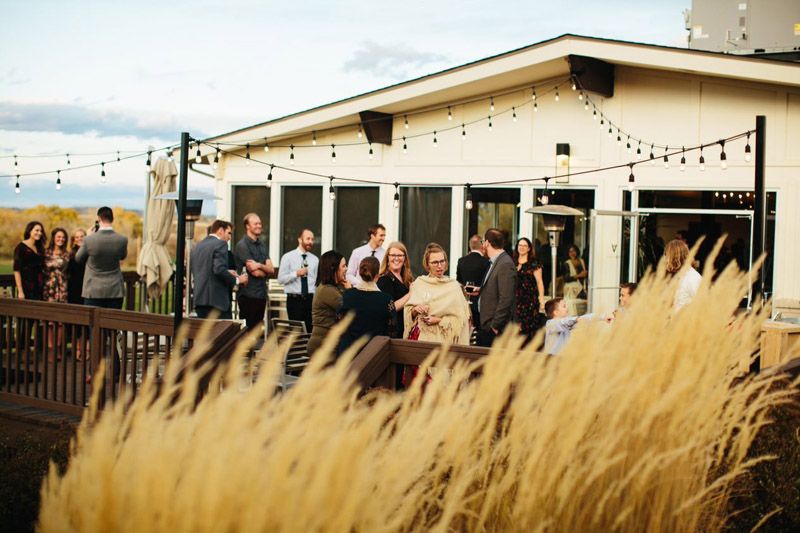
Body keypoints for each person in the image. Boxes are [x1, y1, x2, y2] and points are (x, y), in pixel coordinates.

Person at [404, 243, 470, 344]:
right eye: (435, 262)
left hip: (445, 342)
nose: (439, 266)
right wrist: (415, 310)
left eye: (442, 261)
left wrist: (439, 320)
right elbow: (409, 314)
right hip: (421, 340)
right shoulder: (420, 283)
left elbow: (461, 320)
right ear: (427, 265)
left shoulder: (453, 286)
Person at [337, 256, 394, 357]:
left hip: (347, 355)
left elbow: (338, 323)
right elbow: (393, 329)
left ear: (359, 273)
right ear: (378, 275)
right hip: (373, 356)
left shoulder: (347, 295)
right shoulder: (386, 299)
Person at [191, 219, 247, 319]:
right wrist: (238, 280)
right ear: (220, 230)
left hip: (200, 301)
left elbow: (206, 269)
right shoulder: (221, 244)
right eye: (229, 233)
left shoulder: (198, 246)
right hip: (216, 303)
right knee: (225, 334)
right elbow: (219, 269)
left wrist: (227, 272)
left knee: (205, 335)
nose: (230, 237)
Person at [76, 207, 128, 309]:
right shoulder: (122, 240)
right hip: (115, 291)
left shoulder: (89, 240)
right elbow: (123, 256)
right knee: (111, 323)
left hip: (93, 290)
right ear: (112, 219)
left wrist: (88, 237)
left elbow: (78, 258)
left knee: (93, 324)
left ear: (99, 219)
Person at [475, 228, 516, 347]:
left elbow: (506, 298)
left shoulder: (505, 264)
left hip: (494, 329)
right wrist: (481, 291)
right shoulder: (495, 261)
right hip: (486, 325)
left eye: (483, 242)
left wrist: (495, 326)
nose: (482, 245)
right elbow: (497, 288)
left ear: (487, 243)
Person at [233, 213, 274, 332]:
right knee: (247, 333)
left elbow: (271, 269)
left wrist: (260, 265)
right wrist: (264, 270)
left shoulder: (262, 245)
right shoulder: (242, 245)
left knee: (256, 333)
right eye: (255, 223)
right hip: (248, 296)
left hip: (261, 295)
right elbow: (255, 272)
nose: (259, 226)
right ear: (247, 226)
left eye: (260, 223)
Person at [307, 250, 350, 357]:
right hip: (324, 347)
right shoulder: (327, 290)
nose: (346, 269)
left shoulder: (330, 288)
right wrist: (350, 290)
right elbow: (351, 310)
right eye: (343, 266)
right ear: (333, 268)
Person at [277, 228, 318, 332]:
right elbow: (281, 279)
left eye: (312, 239)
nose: (310, 242)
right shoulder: (288, 257)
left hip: (310, 300)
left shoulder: (315, 259)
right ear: (300, 239)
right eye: (308, 239)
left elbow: (316, 281)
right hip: (295, 300)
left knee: (310, 331)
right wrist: (296, 273)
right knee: (296, 332)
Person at [377, 241, 413, 340]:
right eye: (393, 255)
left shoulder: (406, 279)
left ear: (405, 259)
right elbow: (390, 307)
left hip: (405, 331)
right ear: (387, 258)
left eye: (400, 255)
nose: (396, 258)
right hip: (392, 334)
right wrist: (410, 294)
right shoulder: (384, 280)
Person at [513, 237, 546, 341]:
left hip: (529, 300)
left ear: (529, 248)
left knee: (528, 328)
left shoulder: (534, 263)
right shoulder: (512, 262)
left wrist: (541, 301)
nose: (522, 247)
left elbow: (539, 282)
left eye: (524, 246)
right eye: (520, 245)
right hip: (515, 300)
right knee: (515, 328)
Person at [456, 234, 489, 329]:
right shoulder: (486, 262)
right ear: (482, 246)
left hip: (464, 300)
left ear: (470, 246)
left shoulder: (461, 261)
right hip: (481, 303)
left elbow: (459, 282)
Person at [664, 239, 701, 312]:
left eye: (666, 255)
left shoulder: (692, 277)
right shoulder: (678, 275)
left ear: (673, 257)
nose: (665, 259)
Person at [13, 221, 46, 300]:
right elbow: (16, 270)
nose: (39, 233)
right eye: (37, 230)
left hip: (39, 287)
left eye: (41, 231)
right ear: (30, 231)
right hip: (26, 287)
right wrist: (20, 291)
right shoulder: (21, 248)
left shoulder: (40, 247)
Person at [43, 227, 69, 304]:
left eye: (63, 237)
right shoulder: (46, 252)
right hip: (48, 287)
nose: (61, 239)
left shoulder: (67, 254)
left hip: (63, 288)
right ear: (53, 238)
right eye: (58, 237)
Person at [562, 244, 588, 315]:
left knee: (582, 308)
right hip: (571, 289)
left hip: (582, 288)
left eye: (574, 251)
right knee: (571, 309)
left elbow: (585, 273)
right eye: (570, 252)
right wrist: (579, 275)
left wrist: (586, 273)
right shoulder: (567, 263)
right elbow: (566, 278)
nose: (572, 253)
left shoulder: (582, 261)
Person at [67, 229, 87, 305]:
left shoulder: (89, 252)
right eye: (77, 237)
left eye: (82, 236)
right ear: (74, 240)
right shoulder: (71, 254)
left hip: (86, 285)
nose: (79, 239)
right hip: (74, 286)